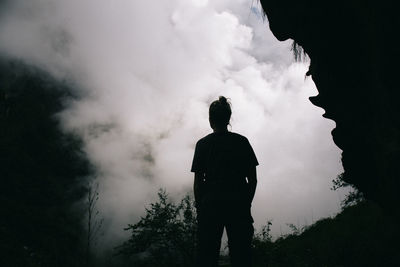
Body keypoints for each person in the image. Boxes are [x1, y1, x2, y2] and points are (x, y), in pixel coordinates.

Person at [191, 96, 258, 267]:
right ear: (228, 119)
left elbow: (198, 183)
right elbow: (253, 179)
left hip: (210, 205)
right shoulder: (241, 142)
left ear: (210, 120)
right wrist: (246, 203)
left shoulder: (203, 145)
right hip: (238, 204)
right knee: (242, 255)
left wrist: (201, 209)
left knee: (207, 256)